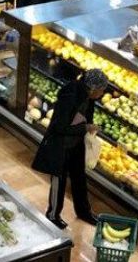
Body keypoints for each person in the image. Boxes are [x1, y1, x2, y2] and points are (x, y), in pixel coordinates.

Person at [31, 68, 108, 229]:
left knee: (79, 178)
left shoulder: (88, 96)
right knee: (59, 181)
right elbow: (60, 127)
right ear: (93, 88)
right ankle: (53, 215)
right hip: (61, 145)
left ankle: (84, 212)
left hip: (76, 144)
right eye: (101, 90)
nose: (102, 94)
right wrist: (85, 128)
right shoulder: (70, 96)